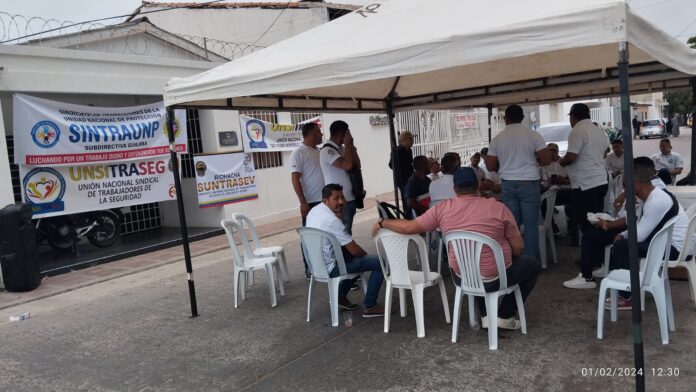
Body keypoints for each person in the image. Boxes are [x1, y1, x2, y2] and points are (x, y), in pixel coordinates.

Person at [371, 167, 541, 329]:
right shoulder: (499, 208)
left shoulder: (442, 209)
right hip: (497, 278)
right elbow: (518, 248)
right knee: (532, 264)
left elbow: (409, 228)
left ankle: (485, 315)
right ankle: (504, 315)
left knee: (468, 262)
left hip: (463, 278)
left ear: (454, 188)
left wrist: (382, 222)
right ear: (479, 185)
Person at [605, 164, 690, 309]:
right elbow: (639, 225)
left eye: (626, 185)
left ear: (637, 184)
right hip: (671, 244)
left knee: (622, 247)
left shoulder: (655, 202)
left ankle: (628, 296)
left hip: (676, 249)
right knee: (622, 242)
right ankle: (625, 287)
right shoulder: (652, 196)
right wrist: (622, 233)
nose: (624, 190)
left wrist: (622, 236)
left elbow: (638, 236)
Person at [306, 184, 385, 317]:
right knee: (380, 262)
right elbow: (354, 250)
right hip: (332, 268)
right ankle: (371, 306)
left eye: (342, 197)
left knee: (352, 261)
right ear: (325, 200)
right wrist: (364, 258)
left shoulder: (314, 211)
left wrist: (339, 216)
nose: (341, 202)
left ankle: (340, 297)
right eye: (336, 198)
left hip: (316, 266)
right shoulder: (331, 220)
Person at [486, 104, 551, 257]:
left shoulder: (497, 139)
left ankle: (514, 260)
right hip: (529, 182)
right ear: (522, 118)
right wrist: (535, 161)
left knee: (511, 225)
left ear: (505, 119)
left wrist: (504, 164)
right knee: (531, 225)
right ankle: (531, 262)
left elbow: (489, 166)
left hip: (507, 183)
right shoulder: (533, 135)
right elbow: (547, 159)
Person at [559, 103, 609, 244]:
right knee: (597, 219)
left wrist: (561, 161)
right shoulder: (599, 131)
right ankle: (599, 254)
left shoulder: (577, 130)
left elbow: (571, 157)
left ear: (573, 117)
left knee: (585, 221)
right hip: (600, 181)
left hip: (585, 184)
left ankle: (591, 257)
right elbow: (605, 154)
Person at [290, 122, 325, 278]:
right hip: (311, 202)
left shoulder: (319, 151)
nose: (321, 134)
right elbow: (295, 178)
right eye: (318, 131)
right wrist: (303, 202)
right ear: (311, 134)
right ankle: (309, 268)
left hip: (325, 201)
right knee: (309, 236)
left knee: (326, 235)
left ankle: (323, 265)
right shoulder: (298, 153)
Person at [320, 120, 361, 234]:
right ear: (341, 133)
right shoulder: (327, 150)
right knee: (341, 232)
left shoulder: (343, 149)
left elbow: (357, 165)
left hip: (350, 197)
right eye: (347, 133)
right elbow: (347, 165)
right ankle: (343, 252)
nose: (349, 135)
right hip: (338, 201)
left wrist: (351, 146)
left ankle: (346, 252)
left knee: (347, 231)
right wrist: (348, 144)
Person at [389, 131, 414, 216]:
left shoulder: (409, 150)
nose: (412, 141)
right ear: (404, 140)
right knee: (406, 200)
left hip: (409, 178)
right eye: (410, 139)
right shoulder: (397, 151)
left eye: (412, 139)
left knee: (411, 198)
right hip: (402, 179)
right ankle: (407, 217)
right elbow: (391, 165)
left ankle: (411, 215)